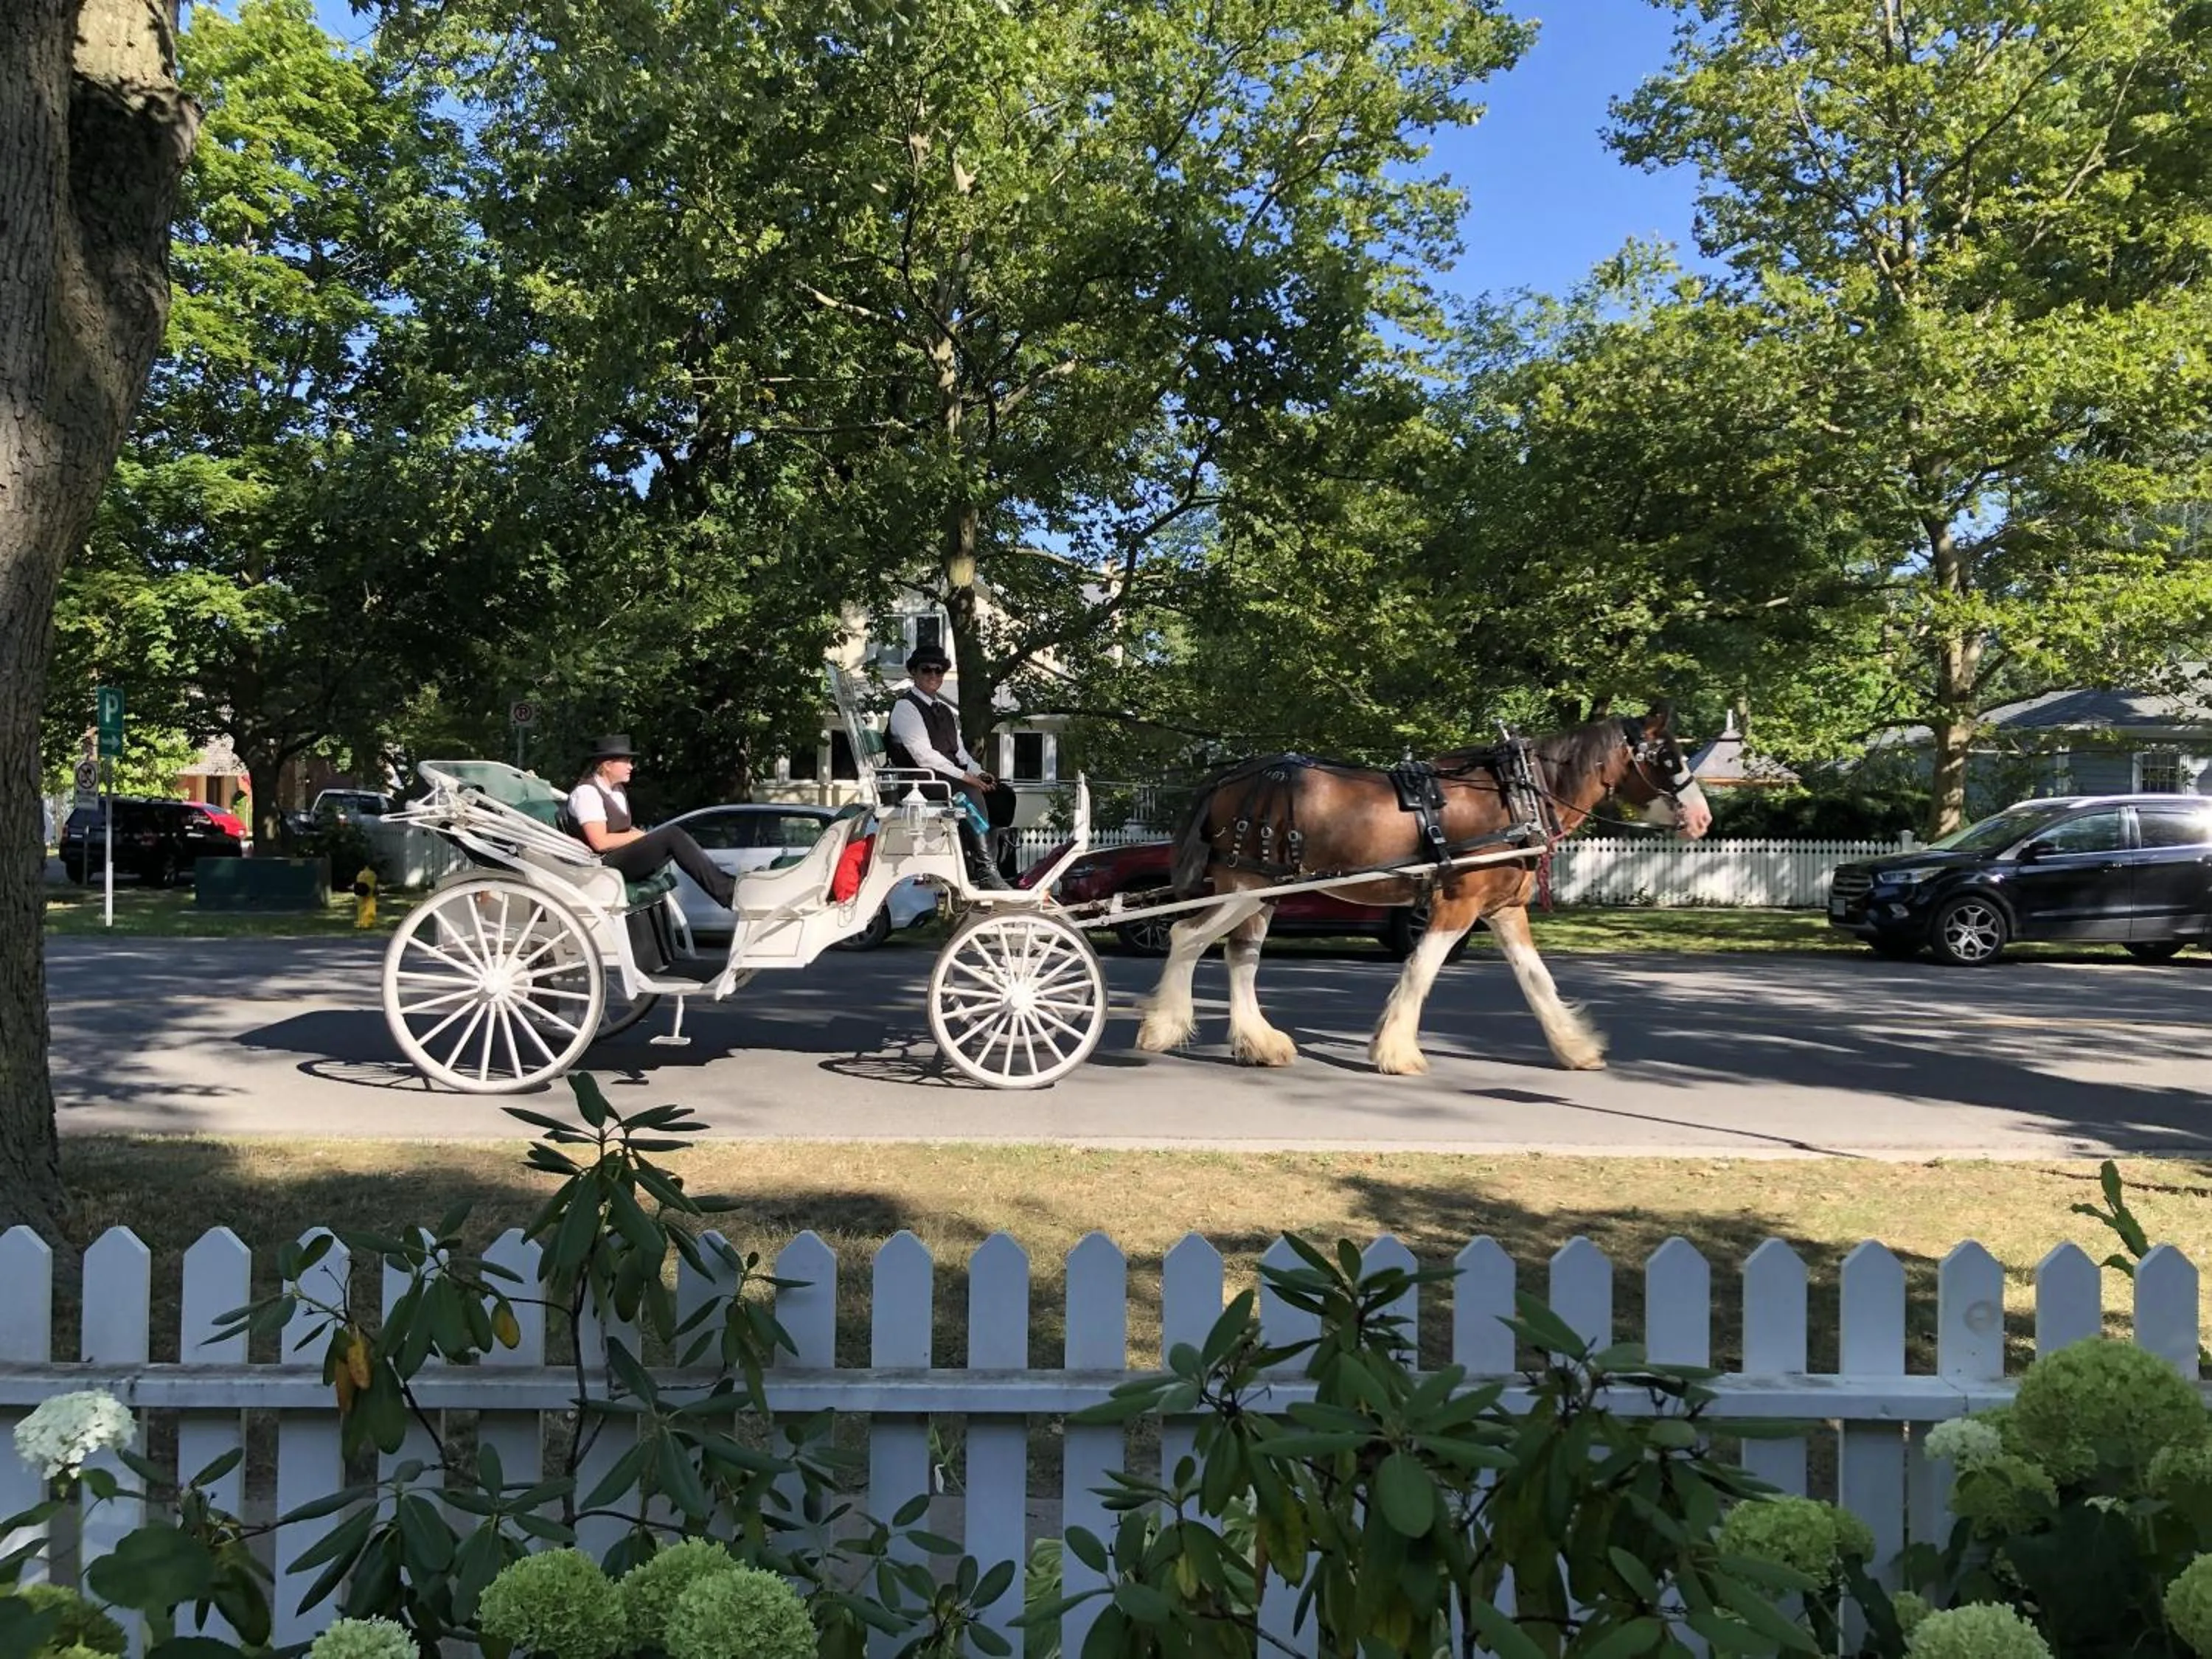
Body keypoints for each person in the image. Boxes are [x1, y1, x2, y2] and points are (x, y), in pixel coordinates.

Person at [884, 647, 1015, 889]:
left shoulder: (945, 711)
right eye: (926, 670)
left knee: (1002, 794)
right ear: (914, 672)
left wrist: (978, 773)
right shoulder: (906, 707)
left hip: (945, 777)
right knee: (968, 792)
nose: (934, 675)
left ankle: (1000, 866)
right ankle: (985, 869)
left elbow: (960, 753)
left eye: (939, 670)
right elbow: (925, 757)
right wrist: (967, 778)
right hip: (918, 781)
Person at [560, 734, 737, 908]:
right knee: (672, 835)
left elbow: (622, 832)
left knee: (672, 836)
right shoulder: (587, 793)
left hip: (621, 857)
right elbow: (600, 842)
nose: (631, 767)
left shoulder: (617, 790)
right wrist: (637, 836)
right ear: (607, 765)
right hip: (602, 864)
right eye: (626, 761)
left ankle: (727, 884)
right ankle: (726, 891)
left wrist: (636, 836)